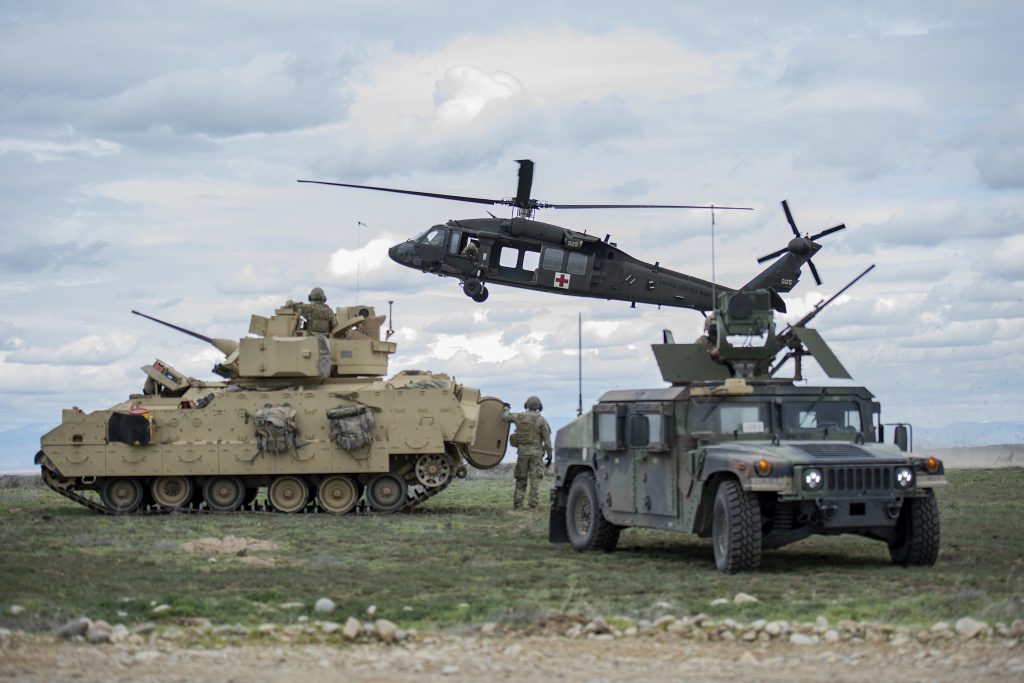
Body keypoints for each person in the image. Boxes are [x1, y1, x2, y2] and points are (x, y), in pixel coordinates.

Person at [503, 395, 552, 510]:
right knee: (535, 480)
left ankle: (518, 504)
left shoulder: (519, 417)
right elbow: (547, 441)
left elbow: (505, 417)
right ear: (539, 406)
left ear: (526, 405)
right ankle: (533, 506)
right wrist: (549, 456)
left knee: (521, 478)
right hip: (536, 455)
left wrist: (506, 408)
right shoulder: (541, 420)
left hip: (522, 454)